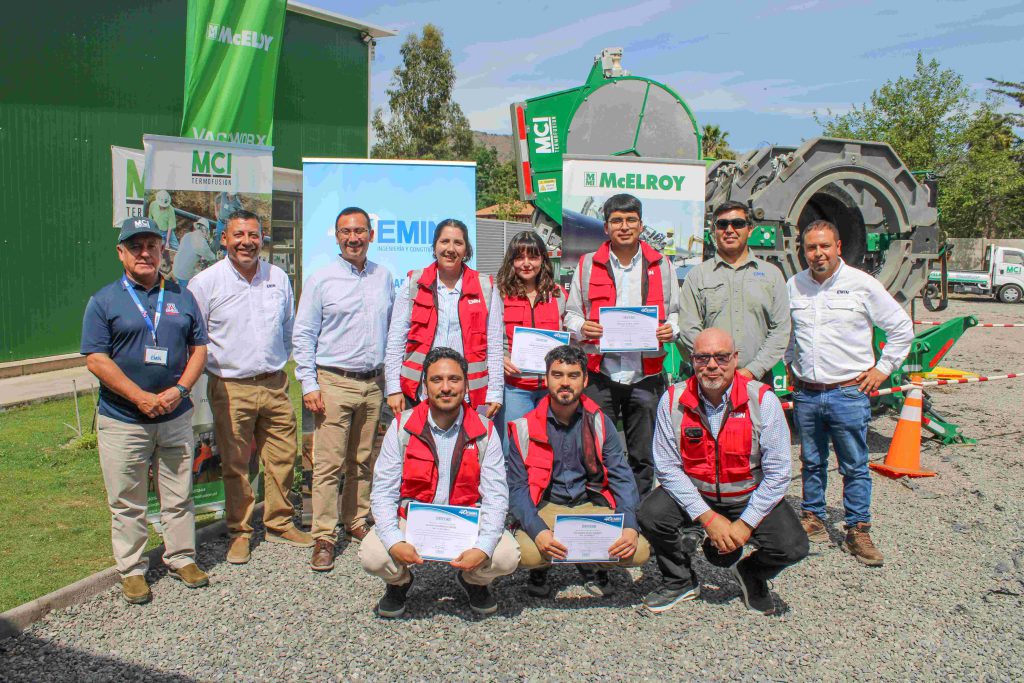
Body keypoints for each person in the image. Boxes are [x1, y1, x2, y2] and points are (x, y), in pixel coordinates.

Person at [81, 217, 210, 605]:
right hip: (124, 419)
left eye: (151, 245)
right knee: (126, 499)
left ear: (161, 251)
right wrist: (139, 396)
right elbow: (96, 360)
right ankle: (133, 570)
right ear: (121, 252)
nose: (144, 253)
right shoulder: (104, 300)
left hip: (174, 414)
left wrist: (180, 389)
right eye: (135, 246)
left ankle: (182, 557)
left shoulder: (182, 296)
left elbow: (199, 348)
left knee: (178, 493)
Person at [638, 329, 808, 615]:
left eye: (721, 357)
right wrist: (707, 518)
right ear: (692, 360)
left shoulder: (763, 401)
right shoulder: (672, 400)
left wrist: (745, 525)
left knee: (792, 546)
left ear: (735, 359)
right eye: (703, 358)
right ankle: (680, 580)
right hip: (698, 492)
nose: (712, 365)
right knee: (650, 514)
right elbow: (667, 468)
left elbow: (778, 473)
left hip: (747, 494)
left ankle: (752, 573)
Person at [187, 209, 312, 565]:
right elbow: (196, 339)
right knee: (236, 463)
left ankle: (279, 522)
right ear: (224, 239)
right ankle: (240, 531)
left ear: (262, 239)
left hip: (274, 383)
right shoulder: (206, 283)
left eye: (254, 235)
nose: (247, 242)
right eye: (238, 235)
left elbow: (288, 329)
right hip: (231, 387)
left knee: (283, 457)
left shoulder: (277, 278)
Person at [787, 220, 914, 567]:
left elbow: (902, 328)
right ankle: (813, 518)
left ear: (838, 247)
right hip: (808, 393)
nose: (818, 253)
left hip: (847, 393)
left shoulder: (862, 285)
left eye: (824, 246)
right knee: (811, 461)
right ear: (803, 250)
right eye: (811, 247)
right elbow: (788, 332)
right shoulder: (794, 286)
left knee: (854, 465)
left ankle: (857, 529)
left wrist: (882, 369)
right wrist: (788, 362)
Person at [359, 348, 520, 618]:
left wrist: (482, 548)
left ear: (466, 385)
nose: (446, 388)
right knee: (373, 555)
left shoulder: (485, 430)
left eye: (454, 380)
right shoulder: (402, 427)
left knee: (506, 555)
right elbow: (383, 493)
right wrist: (395, 541)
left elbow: (496, 496)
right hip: (412, 518)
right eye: (437, 380)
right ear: (425, 386)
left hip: (466, 519)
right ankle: (399, 583)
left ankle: (473, 581)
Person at [293, 207, 395, 571]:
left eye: (360, 231)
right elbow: (303, 334)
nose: (353, 237)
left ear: (370, 234)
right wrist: (308, 382)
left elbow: (392, 330)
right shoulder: (322, 280)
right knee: (328, 464)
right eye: (346, 231)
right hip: (333, 381)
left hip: (372, 383)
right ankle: (324, 534)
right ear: (336, 236)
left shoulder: (384, 277)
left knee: (363, 459)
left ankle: (355, 520)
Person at [506, 345, 649, 599]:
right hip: (548, 506)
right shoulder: (523, 427)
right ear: (547, 378)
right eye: (557, 375)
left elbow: (622, 476)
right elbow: (517, 488)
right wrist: (538, 530)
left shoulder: (600, 421)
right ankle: (541, 568)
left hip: (590, 504)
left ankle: (592, 563)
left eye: (573, 376)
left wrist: (628, 524)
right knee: (525, 552)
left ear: (584, 380)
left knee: (638, 551)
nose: (565, 383)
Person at [564, 193, 682, 495]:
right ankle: (600, 508)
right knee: (595, 449)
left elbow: (674, 314)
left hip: (645, 376)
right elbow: (571, 315)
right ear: (606, 227)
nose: (624, 226)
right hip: (600, 373)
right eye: (617, 220)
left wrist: (672, 329)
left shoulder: (662, 265)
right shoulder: (588, 265)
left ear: (641, 226)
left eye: (631, 220)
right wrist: (582, 327)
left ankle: (639, 514)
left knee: (643, 454)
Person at [385, 219, 503, 418]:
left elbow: (494, 345)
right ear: (434, 246)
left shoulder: (486, 287)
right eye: (444, 241)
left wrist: (495, 392)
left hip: (468, 397)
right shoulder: (414, 283)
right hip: (418, 394)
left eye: (458, 243)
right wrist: (394, 388)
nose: (450, 249)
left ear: (466, 250)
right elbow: (396, 340)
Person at [679, 201, 790, 385]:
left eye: (737, 224)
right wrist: (714, 365)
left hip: (758, 381)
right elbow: (689, 328)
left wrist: (752, 371)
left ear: (750, 229)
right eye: (722, 225)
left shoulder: (772, 275)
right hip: (710, 381)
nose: (729, 230)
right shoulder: (697, 276)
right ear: (714, 231)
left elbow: (780, 330)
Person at [495, 230, 566, 450]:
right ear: (511, 261)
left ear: (543, 260)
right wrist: (500, 358)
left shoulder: (558, 294)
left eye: (533, 257)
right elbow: (488, 337)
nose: (526, 264)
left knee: (551, 451)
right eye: (519, 257)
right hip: (515, 388)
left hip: (551, 389)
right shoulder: (499, 294)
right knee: (513, 451)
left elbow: (570, 337)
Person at [173, 219, 217, 287]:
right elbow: (212, 258)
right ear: (205, 231)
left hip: (175, 268)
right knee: (186, 292)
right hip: (184, 275)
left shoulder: (187, 235)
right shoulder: (201, 243)